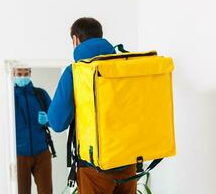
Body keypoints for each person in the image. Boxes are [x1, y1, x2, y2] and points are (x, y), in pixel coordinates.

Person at [38, 17, 137, 194]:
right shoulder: (124, 67)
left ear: (75, 39)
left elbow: (58, 123)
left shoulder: (74, 72)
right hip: (128, 163)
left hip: (94, 168)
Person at [14, 68, 53, 194]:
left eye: (25, 74)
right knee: (22, 192)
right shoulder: (10, 97)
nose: (23, 77)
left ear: (30, 73)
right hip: (20, 155)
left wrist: (48, 120)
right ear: (13, 74)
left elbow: (55, 120)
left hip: (42, 152)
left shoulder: (40, 94)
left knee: (46, 191)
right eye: (19, 74)